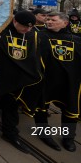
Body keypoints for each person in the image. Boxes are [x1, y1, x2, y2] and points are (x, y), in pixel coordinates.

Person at [0, 10, 43, 153]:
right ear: (14, 21)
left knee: (12, 109)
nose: (27, 29)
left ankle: (10, 133)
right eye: (24, 27)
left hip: (17, 80)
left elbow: (33, 57)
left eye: (30, 27)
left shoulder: (31, 35)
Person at [33, 12, 81, 152]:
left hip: (69, 82)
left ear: (65, 23)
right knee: (41, 107)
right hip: (46, 80)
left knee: (70, 109)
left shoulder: (76, 40)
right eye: (47, 19)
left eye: (53, 20)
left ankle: (69, 137)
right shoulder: (39, 36)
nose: (48, 21)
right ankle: (43, 133)